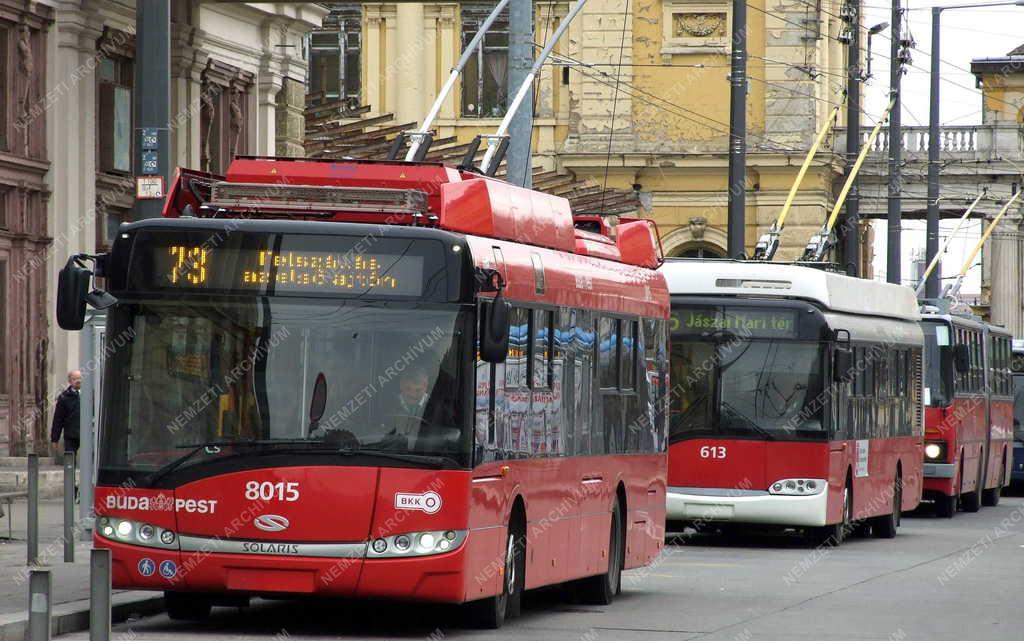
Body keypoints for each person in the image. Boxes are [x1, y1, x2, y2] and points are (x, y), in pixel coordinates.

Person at [51, 370, 82, 453]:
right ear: (69, 381)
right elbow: (58, 419)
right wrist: (55, 439)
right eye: (74, 379)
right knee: (70, 461)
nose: (78, 381)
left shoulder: (89, 395)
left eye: (79, 378)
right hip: (71, 435)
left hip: (87, 434)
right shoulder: (64, 397)